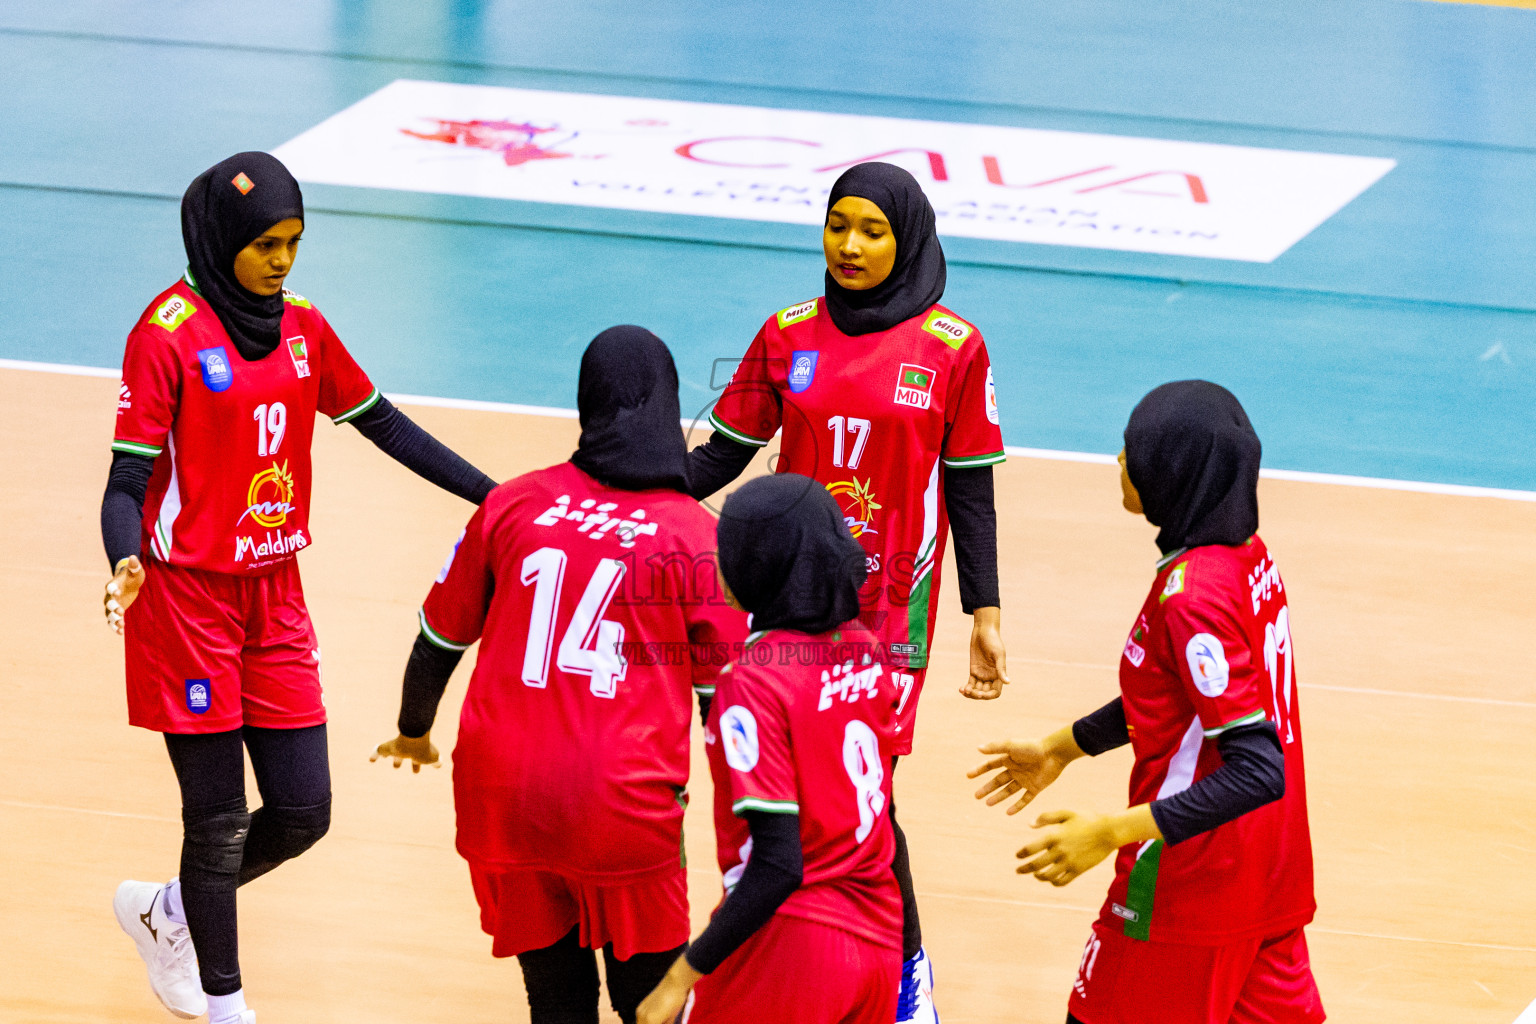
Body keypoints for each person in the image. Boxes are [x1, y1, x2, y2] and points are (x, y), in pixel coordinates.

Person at [102, 152, 498, 1024]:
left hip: (274, 594)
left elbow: (386, 424)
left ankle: (166, 912)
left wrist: (497, 495)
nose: (283, 261)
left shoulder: (305, 327)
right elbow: (126, 482)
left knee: (304, 810)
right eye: (266, 245)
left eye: (294, 242)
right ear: (220, 240)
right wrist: (123, 558)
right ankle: (224, 1003)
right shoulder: (166, 332)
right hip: (184, 598)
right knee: (214, 819)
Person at [685, 161, 1007, 1021]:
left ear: (908, 239)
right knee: (793, 784)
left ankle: (905, 975)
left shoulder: (953, 349)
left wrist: (987, 610)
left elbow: (969, 488)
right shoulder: (788, 334)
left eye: (872, 230)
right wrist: (628, 485)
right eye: (839, 226)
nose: (852, 246)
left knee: (869, 792)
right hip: (788, 607)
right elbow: (720, 456)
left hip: (892, 612)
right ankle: (802, 941)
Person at [371, 326, 747, 1024]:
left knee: (556, 1003)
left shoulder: (511, 504)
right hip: (620, 808)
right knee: (650, 1006)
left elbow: (435, 642)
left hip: (501, 796)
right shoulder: (694, 535)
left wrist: (413, 729)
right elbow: (724, 706)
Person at [968, 381, 1322, 1024]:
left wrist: (1110, 832)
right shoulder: (1245, 558)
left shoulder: (1192, 597)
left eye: (1134, 453)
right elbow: (1175, 696)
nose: (1122, 462)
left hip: (1189, 881)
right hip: (1271, 871)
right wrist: (1063, 746)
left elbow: (1256, 768)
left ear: (1173, 476)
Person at [637, 473, 903, 1024]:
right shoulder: (866, 650)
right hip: (879, 939)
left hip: (789, 945)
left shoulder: (752, 683)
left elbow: (779, 865)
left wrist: (679, 976)